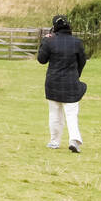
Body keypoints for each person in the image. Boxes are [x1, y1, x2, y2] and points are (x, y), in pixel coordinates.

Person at [36, 14, 87, 152]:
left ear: (54, 27)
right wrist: (76, 75)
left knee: (54, 113)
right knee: (71, 114)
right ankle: (74, 140)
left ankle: (54, 142)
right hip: (71, 83)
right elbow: (82, 62)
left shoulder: (49, 41)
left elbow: (41, 59)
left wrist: (44, 41)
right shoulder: (77, 43)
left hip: (52, 83)